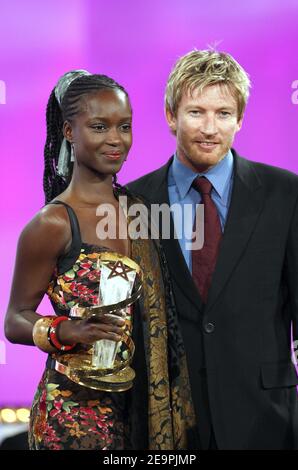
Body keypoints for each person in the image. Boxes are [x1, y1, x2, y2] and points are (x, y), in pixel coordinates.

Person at [4, 71, 196, 450]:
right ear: (69, 132)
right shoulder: (53, 223)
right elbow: (15, 319)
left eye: (124, 126)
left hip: (142, 406)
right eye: (99, 126)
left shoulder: (141, 210)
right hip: (73, 416)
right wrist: (64, 331)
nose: (115, 139)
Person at [127, 49, 298, 450]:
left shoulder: (287, 193)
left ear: (240, 119)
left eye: (223, 113)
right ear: (171, 116)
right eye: (196, 112)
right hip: (166, 424)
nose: (210, 128)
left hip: (266, 418)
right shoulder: (133, 201)